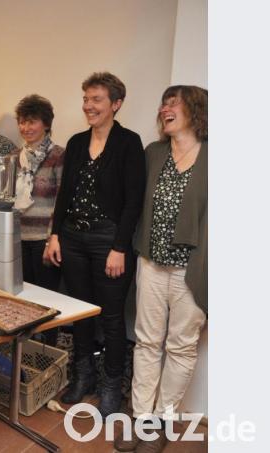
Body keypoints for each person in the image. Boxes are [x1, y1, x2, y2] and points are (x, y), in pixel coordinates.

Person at [46, 72, 146, 417]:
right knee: (82, 312)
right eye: (86, 99)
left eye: (97, 99)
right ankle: (83, 376)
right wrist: (55, 234)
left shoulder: (129, 143)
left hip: (109, 240)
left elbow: (134, 201)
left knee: (113, 318)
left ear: (116, 104)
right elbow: (64, 195)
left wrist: (120, 247)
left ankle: (110, 387)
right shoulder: (75, 143)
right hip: (72, 238)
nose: (89, 105)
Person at [115, 86, 207, 453]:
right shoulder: (153, 153)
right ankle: (140, 418)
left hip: (194, 270)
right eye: (164, 103)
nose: (165, 108)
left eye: (174, 103)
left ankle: (161, 423)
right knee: (147, 343)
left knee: (182, 348)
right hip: (150, 263)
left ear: (195, 110)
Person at [13, 95, 65, 295]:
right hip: (17, 239)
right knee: (22, 298)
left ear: (46, 124)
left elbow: (61, 200)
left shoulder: (59, 155)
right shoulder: (13, 157)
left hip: (44, 240)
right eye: (22, 122)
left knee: (47, 299)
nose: (26, 127)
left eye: (32, 121)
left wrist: (52, 238)